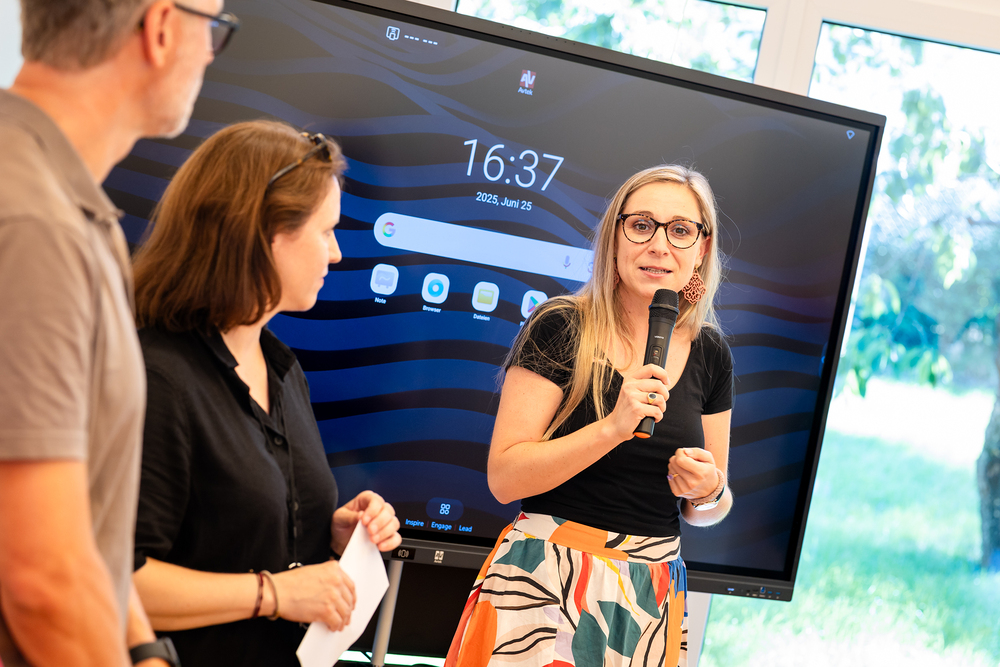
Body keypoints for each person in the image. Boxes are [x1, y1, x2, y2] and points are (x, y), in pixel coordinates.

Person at [0, 1, 236, 665]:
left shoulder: (72, 210)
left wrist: (143, 648)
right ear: (160, 28)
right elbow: (42, 578)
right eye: (213, 28)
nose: (210, 52)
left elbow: (83, 522)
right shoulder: (36, 224)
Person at [129, 119, 402, 667]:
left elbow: (234, 529)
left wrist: (329, 532)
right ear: (264, 234)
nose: (337, 253)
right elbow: (114, 579)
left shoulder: (282, 369)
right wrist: (273, 594)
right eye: (325, 231)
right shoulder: (159, 377)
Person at [446, 165, 734, 667]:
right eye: (641, 225)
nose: (659, 245)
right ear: (614, 237)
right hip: (542, 580)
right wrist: (612, 429)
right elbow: (505, 478)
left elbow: (708, 506)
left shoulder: (711, 352)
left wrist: (709, 490)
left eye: (680, 230)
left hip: (650, 596)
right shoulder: (560, 325)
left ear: (701, 249)